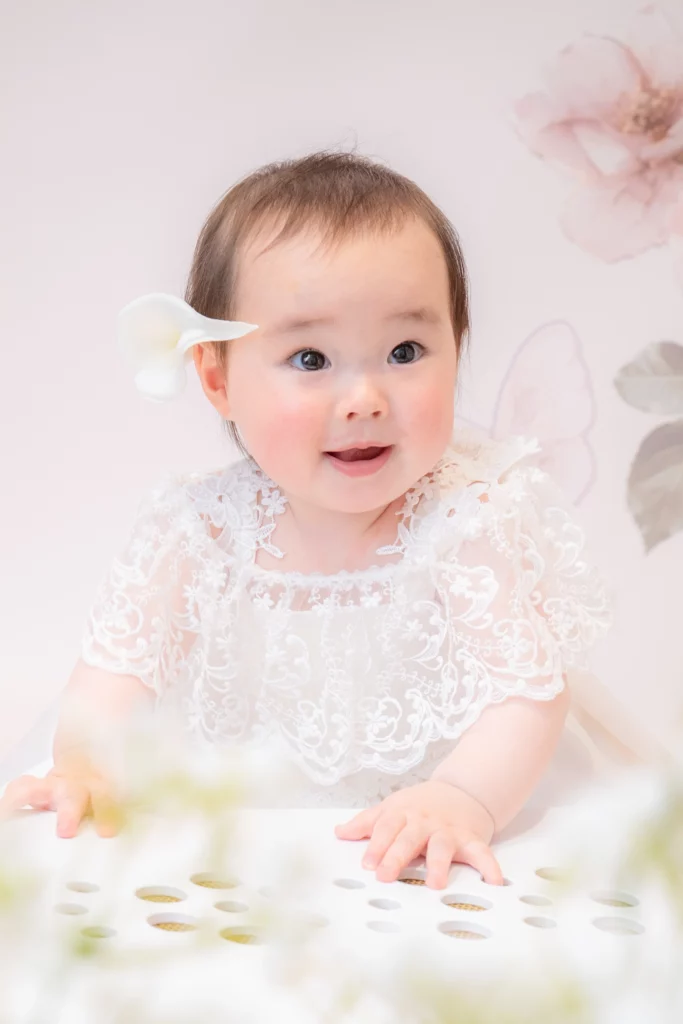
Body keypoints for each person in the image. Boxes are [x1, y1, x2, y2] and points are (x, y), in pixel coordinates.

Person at [0, 149, 631, 889]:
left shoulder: (469, 521)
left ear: (456, 353)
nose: (364, 399)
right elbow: (114, 674)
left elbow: (526, 696)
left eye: (405, 351)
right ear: (217, 379)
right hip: (251, 823)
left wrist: (463, 798)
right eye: (309, 359)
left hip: (477, 790)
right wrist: (86, 761)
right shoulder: (199, 530)